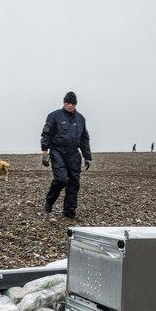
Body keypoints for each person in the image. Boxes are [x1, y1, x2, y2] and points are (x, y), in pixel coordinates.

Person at [40, 91, 91, 219]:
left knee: (74, 182)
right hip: (58, 152)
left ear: (75, 104)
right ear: (64, 102)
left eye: (72, 103)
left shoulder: (81, 119)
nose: (70, 105)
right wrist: (45, 152)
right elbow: (46, 133)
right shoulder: (54, 116)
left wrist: (87, 156)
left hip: (74, 153)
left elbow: (84, 138)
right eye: (67, 103)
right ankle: (50, 200)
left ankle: (69, 210)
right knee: (61, 179)